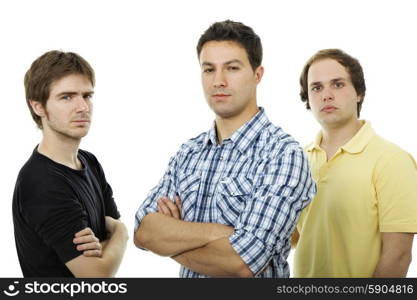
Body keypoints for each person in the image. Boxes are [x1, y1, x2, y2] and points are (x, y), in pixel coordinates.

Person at [134, 20, 315, 278]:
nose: (218, 81)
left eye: (232, 68)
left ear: (257, 75)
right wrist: (220, 234)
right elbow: (143, 232)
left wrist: (172, 236)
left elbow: (241, 263)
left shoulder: (282, 154)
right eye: (209, 69)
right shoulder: (188, 153)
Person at [292, 48, 417, 277]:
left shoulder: (393, 161)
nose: (326, 95)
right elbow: (290, 238)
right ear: (308, 98)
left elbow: (398, 256)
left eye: (338, 84)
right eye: (316, 87)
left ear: (358, 93)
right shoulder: (296, 161)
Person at [12, 50, 128, 277]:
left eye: (87, 96)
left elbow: (109, 230)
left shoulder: (89, 161)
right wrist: (122, 233)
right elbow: (98, 276)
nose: (83, 107)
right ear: (38, 107)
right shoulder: (41, 184)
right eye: (66, 97)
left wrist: (108, 241)